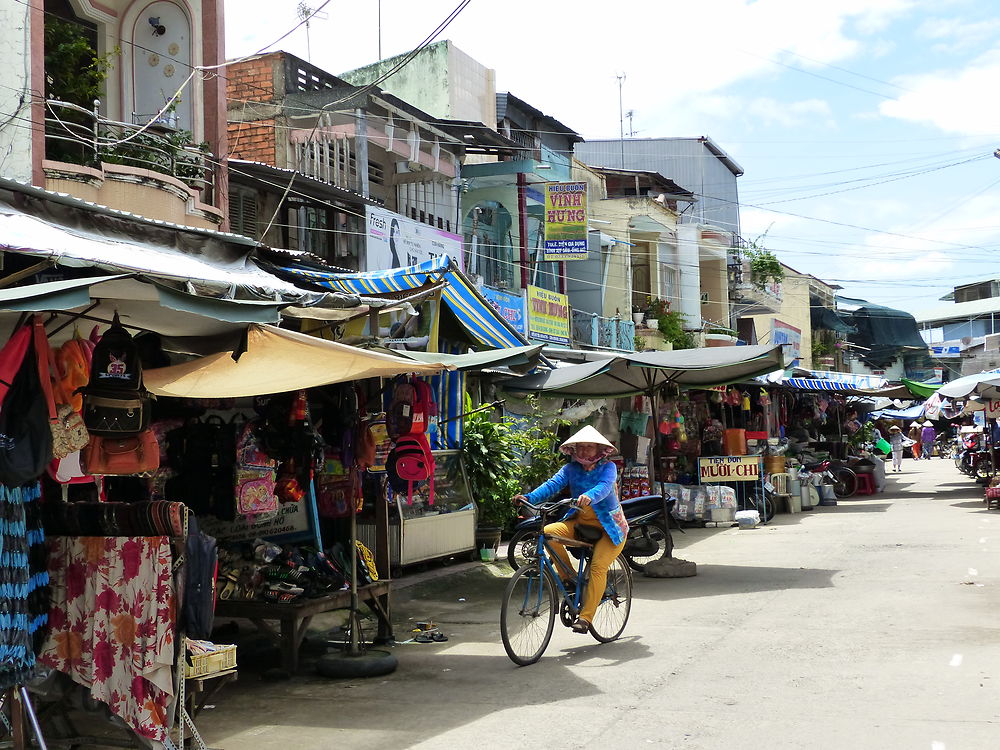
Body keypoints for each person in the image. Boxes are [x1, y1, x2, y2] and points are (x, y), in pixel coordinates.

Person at [513, 425, 628, 635]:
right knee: (548, 533)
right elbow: (552, 485)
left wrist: (590, 496)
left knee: (597, 568)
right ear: (573, 450)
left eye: (589, 447)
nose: (584, 451)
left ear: (599, 449)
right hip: (579, 523)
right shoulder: (570, 469)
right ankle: (568, 578)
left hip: (610, 529)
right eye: (580, 447)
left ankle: (586, 618)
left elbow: (604, 486)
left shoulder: (608, 467)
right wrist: (528, 498)